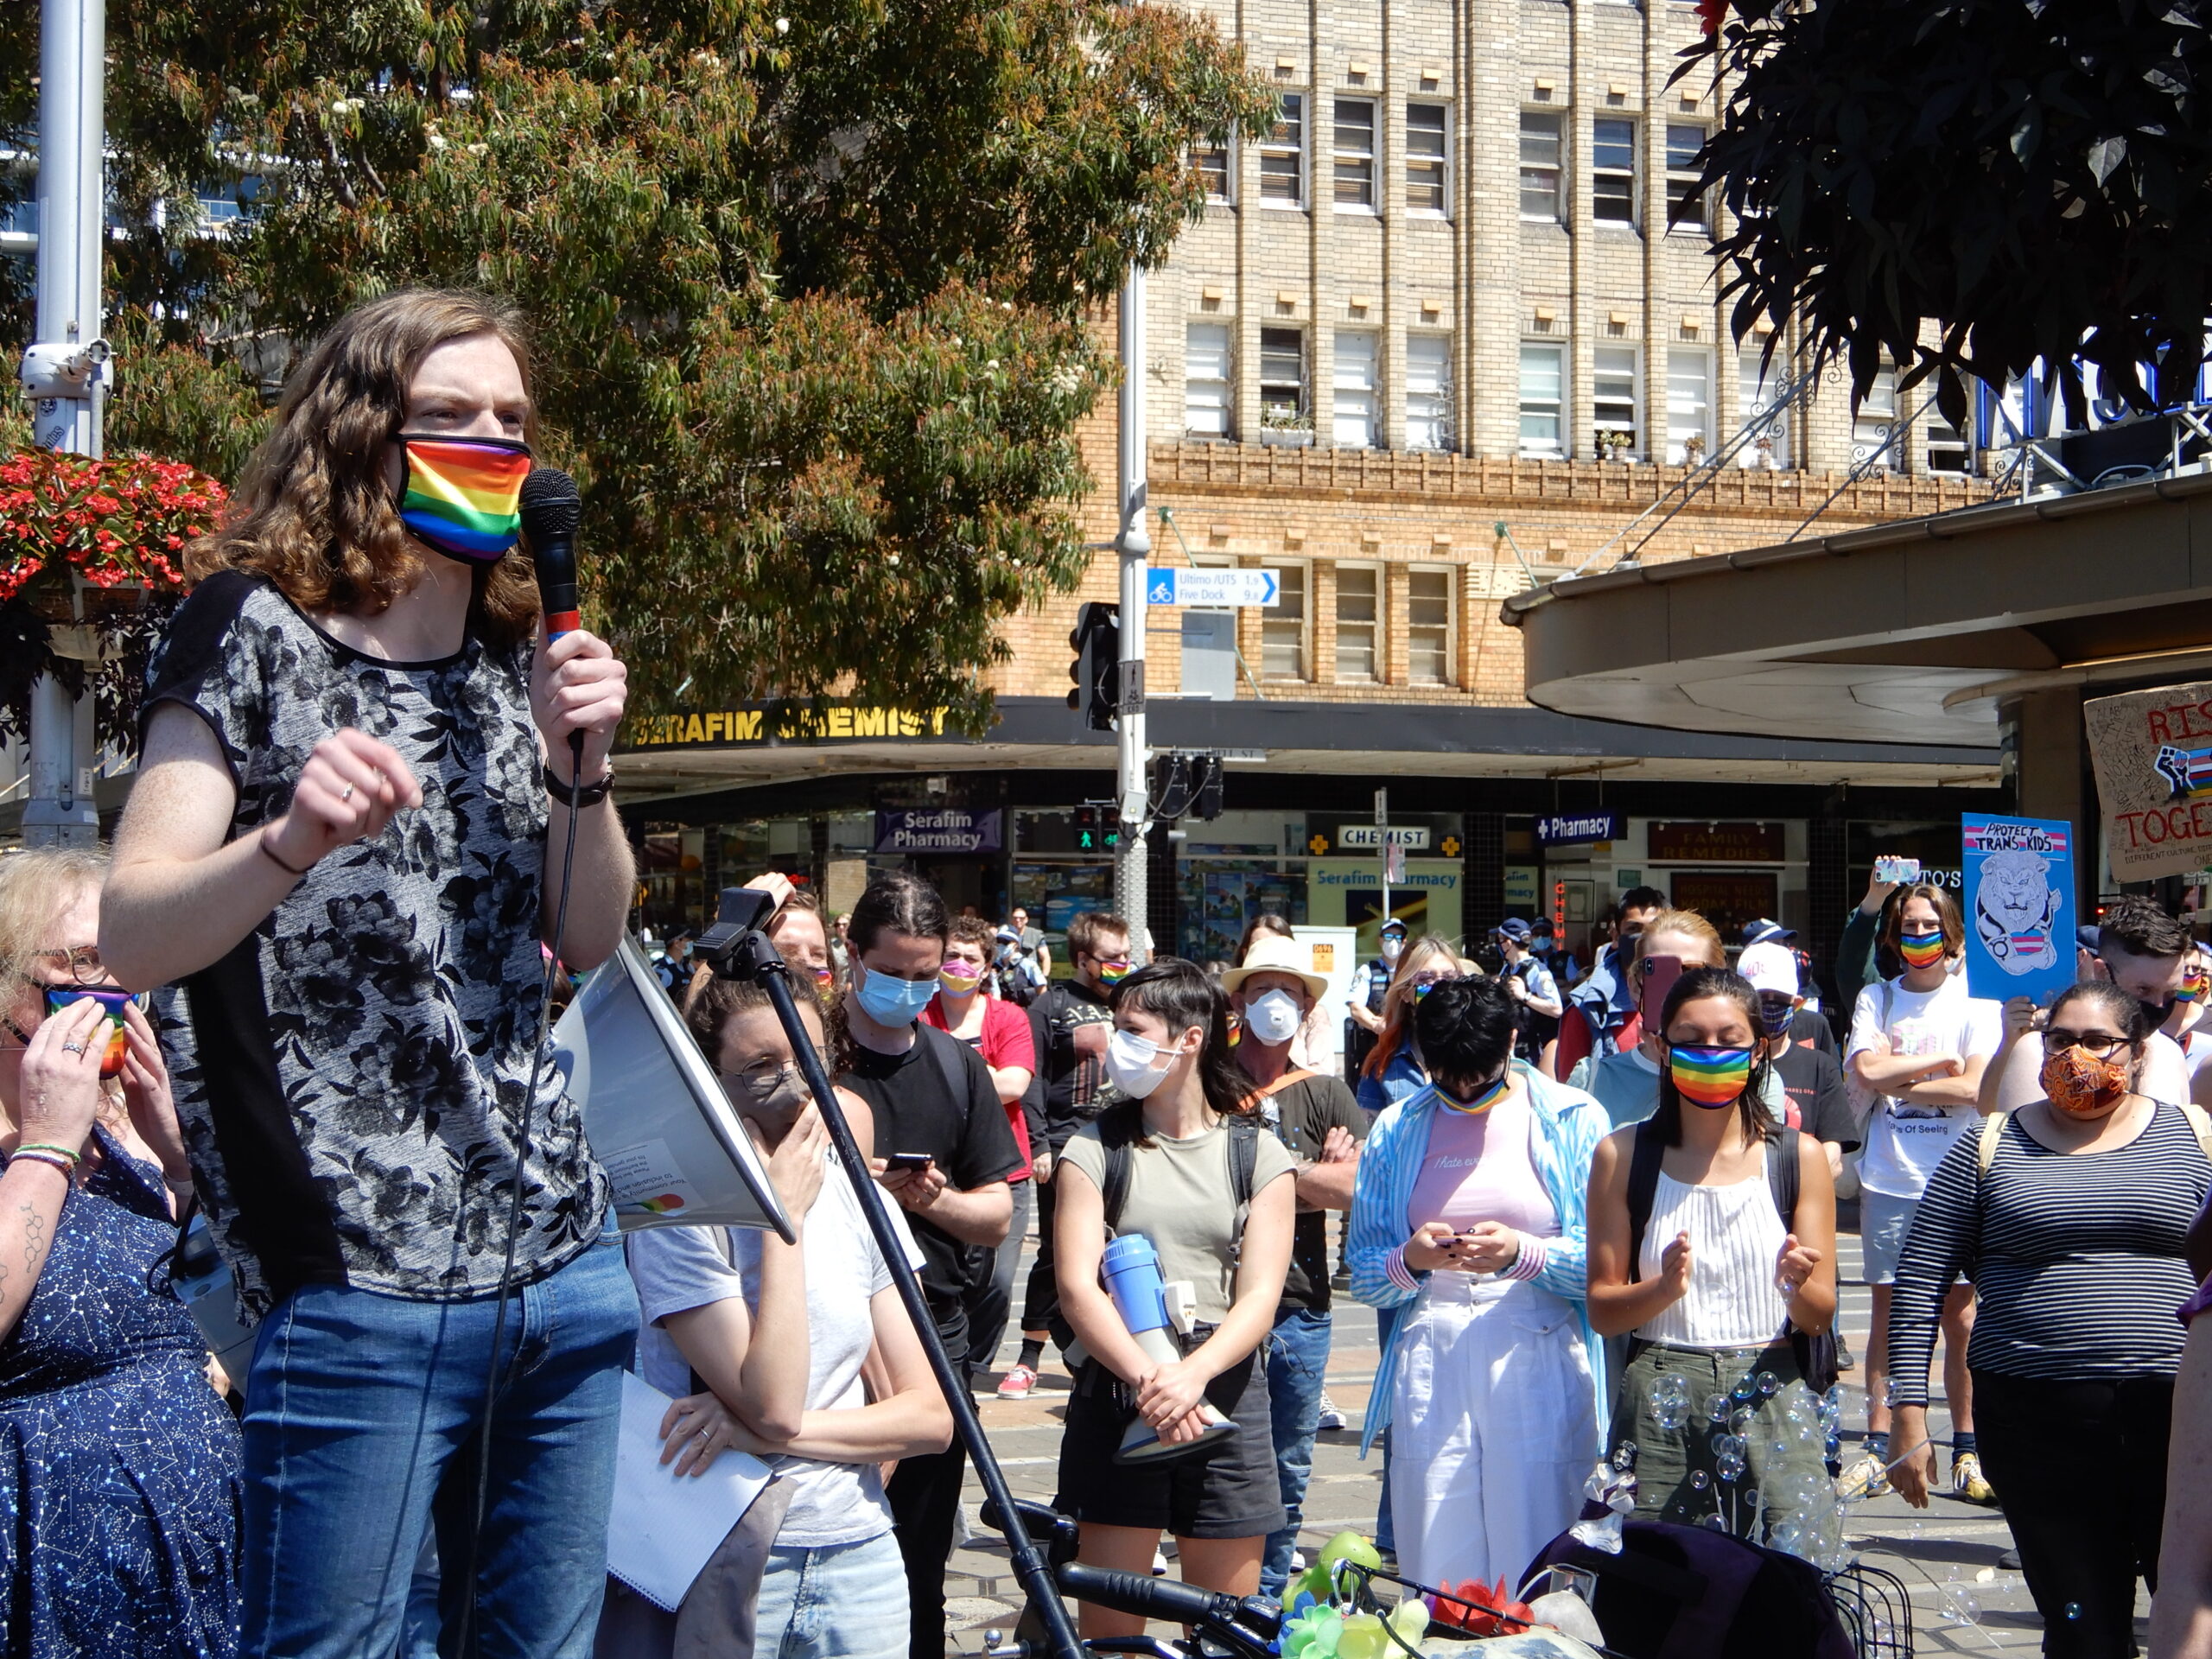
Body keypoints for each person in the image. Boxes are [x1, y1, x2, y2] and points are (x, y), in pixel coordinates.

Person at [101, 289, 640, 1656]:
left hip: (562, 1271)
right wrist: (287, 839)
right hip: (356, 1289)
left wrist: (587, 771)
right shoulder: (249, 629)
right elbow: (134, 929)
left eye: (513, 420)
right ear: (361, 435)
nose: (491, 443)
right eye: (449, 417)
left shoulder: (520, 658)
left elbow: (588, 939)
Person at [606, 976, 950, 1657]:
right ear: (711, 1079)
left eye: (806, 1056)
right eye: (760, 1067)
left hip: (859, 1553)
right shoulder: (679, 1213)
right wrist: (781, 1217)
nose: (792, 1083)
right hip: (727, 1549)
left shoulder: (859, 1197)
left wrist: (757, 1434)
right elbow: (774, 1401)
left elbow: (931, 1418)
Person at [1890, 982, 2210, 1659]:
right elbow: (1921, 1276)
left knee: (2194, 1619)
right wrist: (1908, 1412)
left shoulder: (2195, 1137)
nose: (2077, 1055)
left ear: (2140, 1051)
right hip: (2034, 1419)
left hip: (2181, 1417)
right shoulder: (1989, 1142)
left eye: (2098, 1041)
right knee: (2082, 1629)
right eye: (2061, 1039)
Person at [0, 849, 242, 1657]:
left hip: (202, 1551)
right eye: (75, 963)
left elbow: (247, 1304)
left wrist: (180, 1163)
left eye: (121, 965)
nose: (106, 991)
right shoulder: (44, 1138)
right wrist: (44, 1147)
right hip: (58, 1565)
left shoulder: (127, 1131)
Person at [1051, 958, 1297, 1635]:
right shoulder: (1093, 1146)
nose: (1114, 1042)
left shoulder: (1259, 1154)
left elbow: (1260, 1297)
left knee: (1225, 1630)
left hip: (1223, 1384)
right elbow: (1076, 1287)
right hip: (1121, 1380)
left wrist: (1193, 1376)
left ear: (1190, 1038)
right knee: (1112, 1635)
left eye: (1132, 1028)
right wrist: (1153, 1381)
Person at [1345, 976, 1607, 1593]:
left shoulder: (1572, 1117)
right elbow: (1363, 1272)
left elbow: (1606, 1264)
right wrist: (1409, 1260)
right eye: (1445, 1079)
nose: (1463, 1092)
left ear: (1514, 1041)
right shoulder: (1397, 1126)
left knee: (1540, 1545)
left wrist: (1522, 1253)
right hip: (1432, 1339)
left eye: (1481, 1078)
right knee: (1436, 1543)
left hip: (1536, 1338)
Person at [1585, 967, 1840, 1547]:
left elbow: (1819, 1315)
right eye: (1691, 1039)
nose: (1710, 1053)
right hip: (1658, 1398)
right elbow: (1602, 1310)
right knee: (1660, 1594)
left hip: (1772, 1388)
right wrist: (1662, 1290)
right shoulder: (1621, 1155)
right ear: (1660, 1046)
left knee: (1787, 1595)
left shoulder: (1797, 1157)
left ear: (1760, 1051)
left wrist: (1796, 1286)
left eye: (1729, 1041)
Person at [832, 873, 1018, 1659]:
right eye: (892, 971)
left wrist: (929, 1200)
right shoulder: (814, 1053)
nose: (908, 989)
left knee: (919, 1551)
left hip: (931, 1328)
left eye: (925, 974)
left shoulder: (954, 1065)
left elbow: (996, 1215)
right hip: (828, 1326)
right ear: (852, 955)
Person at [1836, 882, 2000, 1505]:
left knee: (1961, 1318)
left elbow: (1977, 1089)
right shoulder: (1878, 998)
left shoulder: (1975, 1001)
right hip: (1890, 1178)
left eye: (1930, 923)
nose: (1919, 934)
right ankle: (1878, 1449)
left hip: (1960, 1177)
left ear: (1952, 930)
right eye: (1908, 924)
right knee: (1889, 1317)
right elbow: (1865, 1072)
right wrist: (1937, 1073)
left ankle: (1968, 1448)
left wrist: (1901, 1078)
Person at [1221, 938, 1366, 1598]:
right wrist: (1311, 1175)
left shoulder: (1328, 1092)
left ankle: (1267, 1599)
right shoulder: (1208, 1082)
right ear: (1239, 1001)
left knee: (1288, 1462)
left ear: (1307, 1008)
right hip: (1216, 1302)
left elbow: (1358, 1189)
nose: (1274, 1004)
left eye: (1288, 992)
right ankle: (1220, 1592)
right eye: (1260, 990)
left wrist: (1269, 1179)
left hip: (1301, 1306)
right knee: (1216, 1459)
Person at [1003, 910, 1132, 1402]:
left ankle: (1096, 1350)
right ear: (1083, 960)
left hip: (1120, 1142)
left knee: (1114, 1249)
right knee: (1058, 1252)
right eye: (1111, 958)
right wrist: (1038, 1144)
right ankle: (1029, 1356)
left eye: (1126, 956)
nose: (1121, 965)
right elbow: (1031, 1079)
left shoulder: (1131, 1002)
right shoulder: (1051, 1006)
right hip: (1065, 1144)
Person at [923, 915, 1040, 1389]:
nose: (959, 965)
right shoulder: (920, 1013)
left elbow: (1015, 1083)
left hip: (1002, 1168)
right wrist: (981, 1075)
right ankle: (944, 1368)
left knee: (996, 1281)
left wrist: (943, 1072)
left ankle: (974, 1366)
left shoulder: (1008, 1017)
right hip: (935, 1169)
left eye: (970, 958)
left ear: (987, 965)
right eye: (950, 956)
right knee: (941, 1276)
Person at [1570, 911, 1789, 1132]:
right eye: (1661, 973)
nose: (1676, 988)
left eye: (1692, 973)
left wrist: (1679, 1074)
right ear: (1636, 987)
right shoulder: (1593, 1080)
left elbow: (1754, 1159)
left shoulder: (1754, 1078)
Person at [1983, 897, 2201, 1114]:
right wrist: (2009, 1044)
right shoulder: (2045, 1050)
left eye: (2172, 992)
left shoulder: (2169, 1054)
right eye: (2143, 990)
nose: (2159, 1005)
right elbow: (1996, 1119)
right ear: (2102, 972)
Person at [1739, 942, 1859, 1178]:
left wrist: (1796, 1187)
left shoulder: (1820, 1067)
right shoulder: (1726, 1063)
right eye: (1761, 998)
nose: (1771, 1005)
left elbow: (1833, 1151)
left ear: (1796, 1003)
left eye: (1781, 999)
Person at [1558, 887, 1667, 1077]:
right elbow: (1571, 1090)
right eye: (1634, 929)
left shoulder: (1689, 1000)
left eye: (1653, 928)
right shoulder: (1588, 1008)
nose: (1643, 939)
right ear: (1616, 936)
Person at [1355, 935, 1463, 1117]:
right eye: (1425, 979)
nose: (1439, 986)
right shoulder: (1383, 1061)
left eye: (1449, 978)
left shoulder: (1478, 1051)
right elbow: (1369, 1134)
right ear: (1404, 992)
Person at [1496, 918, 1564, 1067]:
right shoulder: (1507, 969)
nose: (1498, 945)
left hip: (1529, 1051)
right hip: (1508, 1044)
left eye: (1500, 940)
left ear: (1508, 943)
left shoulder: (1537, 971)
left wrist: (1525, 996)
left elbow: (1557, 1009)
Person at [1345, 918, 1408, 1077]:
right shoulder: (1367, 970)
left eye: (1398, 937)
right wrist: (1377, 1025)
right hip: (1374, 1044)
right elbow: (1355, 1007)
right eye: (1388, 937)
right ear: (1380, 940)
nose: (1393, 942)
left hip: (1406, 1042)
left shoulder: (1411, 971)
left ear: (1404, 942)